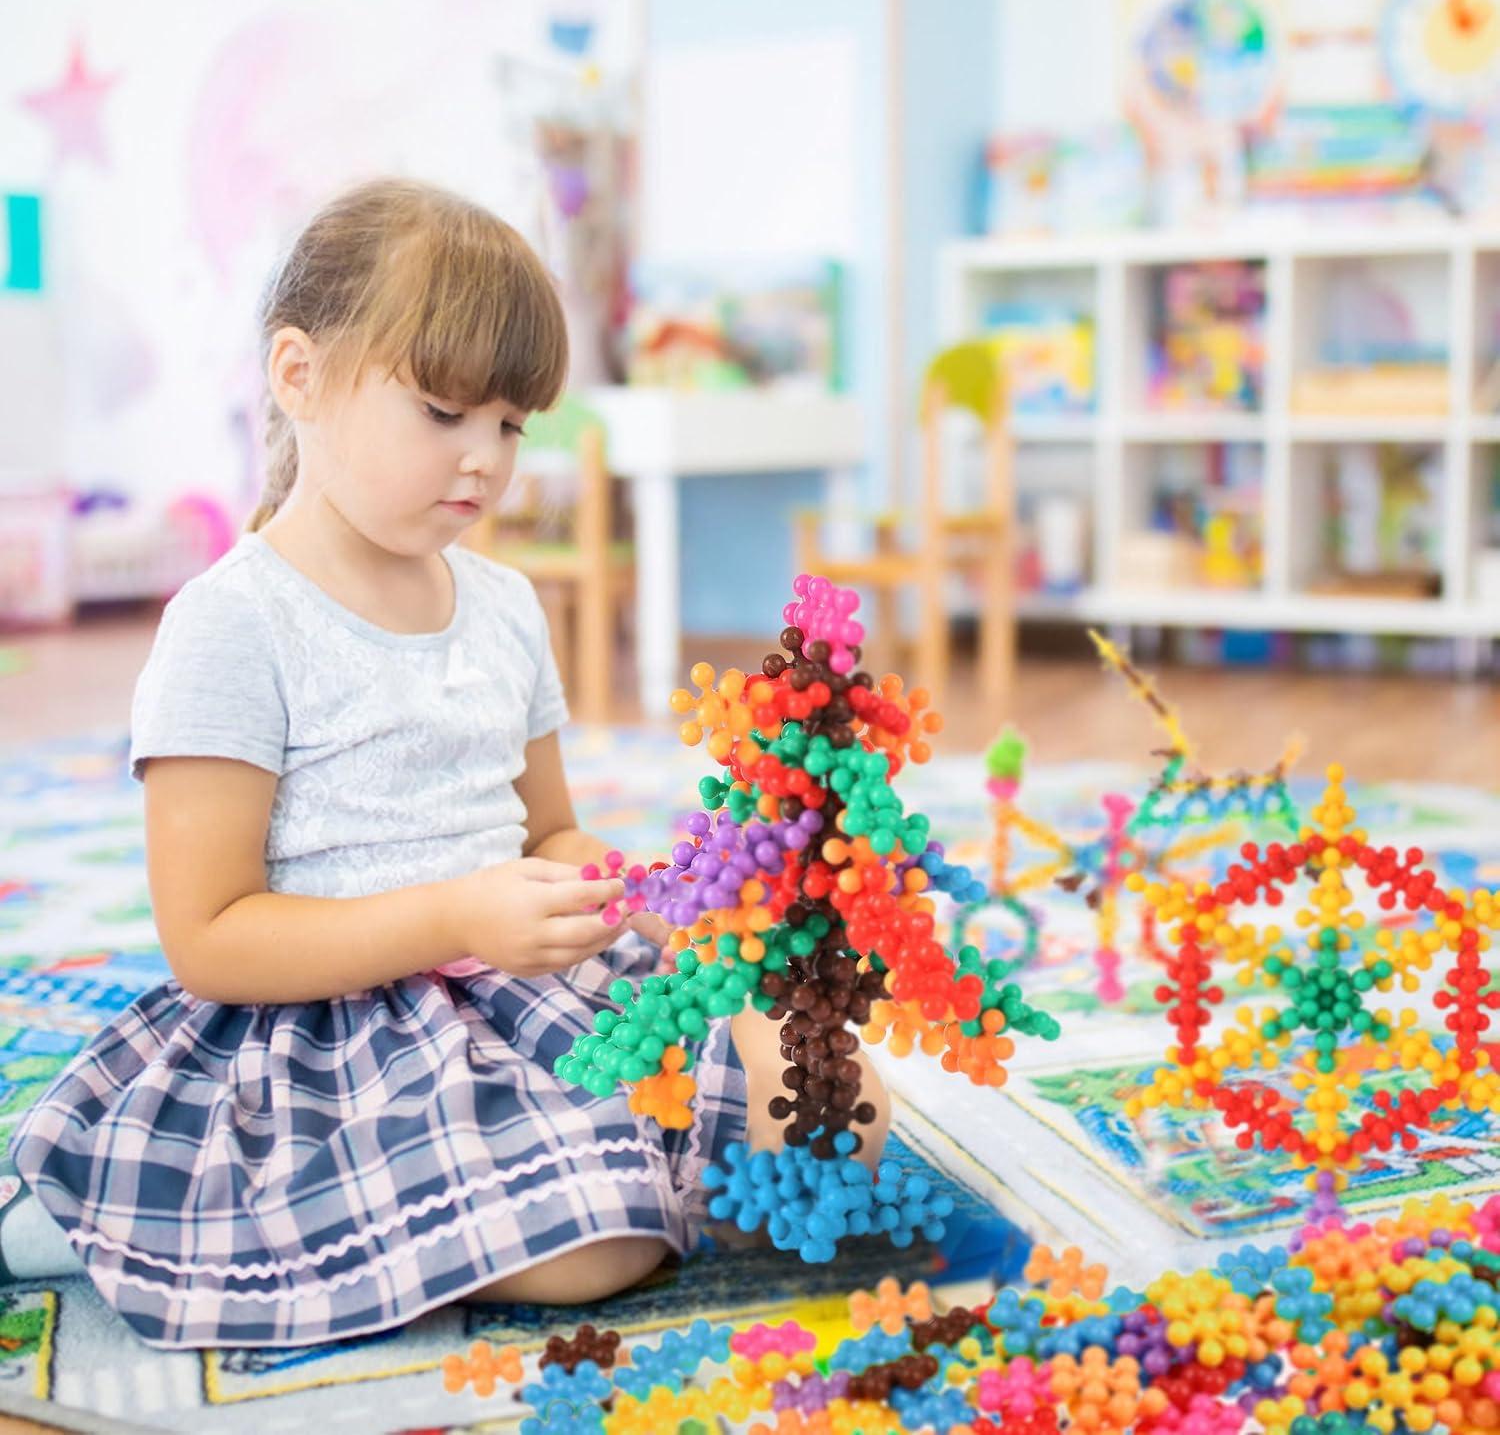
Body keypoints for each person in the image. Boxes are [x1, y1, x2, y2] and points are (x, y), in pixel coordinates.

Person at [9, 179, 890, 1350]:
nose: (484, 459)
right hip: (328, 1034)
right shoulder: (233, 625)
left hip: (524, 990)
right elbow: (210, 937)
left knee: (836, 1095)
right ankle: (136, 1215)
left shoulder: (506, 607)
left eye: (513, 425)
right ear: (298, 377)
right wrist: (453, 915)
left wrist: (652, 904)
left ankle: (604, 1175)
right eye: (442, 412)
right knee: (599, 1243)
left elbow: (550, 834)